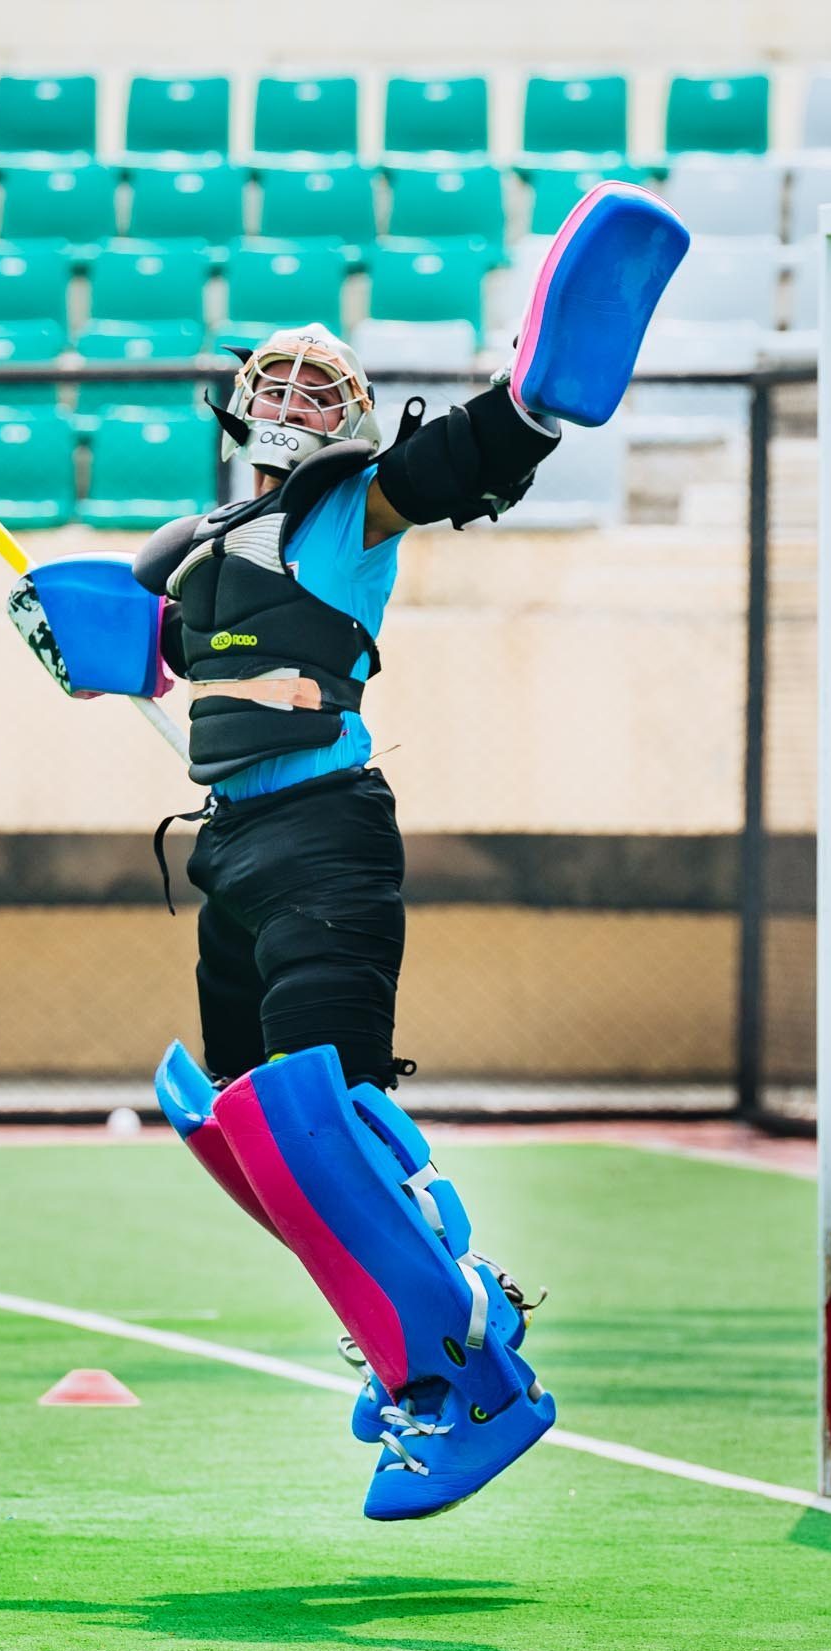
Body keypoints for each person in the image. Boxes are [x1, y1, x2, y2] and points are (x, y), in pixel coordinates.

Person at [136, 325, 565, 1519]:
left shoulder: (341, 506)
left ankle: (473, 1372)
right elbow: (155, 659)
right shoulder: (203, 547)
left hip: (325, 833)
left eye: (320, 381)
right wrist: (87, 644)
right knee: (267, 1138)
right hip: (231, 848)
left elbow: (443, 474)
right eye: (272, 375)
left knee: (338, 1112)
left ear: (355, 417)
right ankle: (404, 1348)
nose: (290, 381)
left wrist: (526, 406)